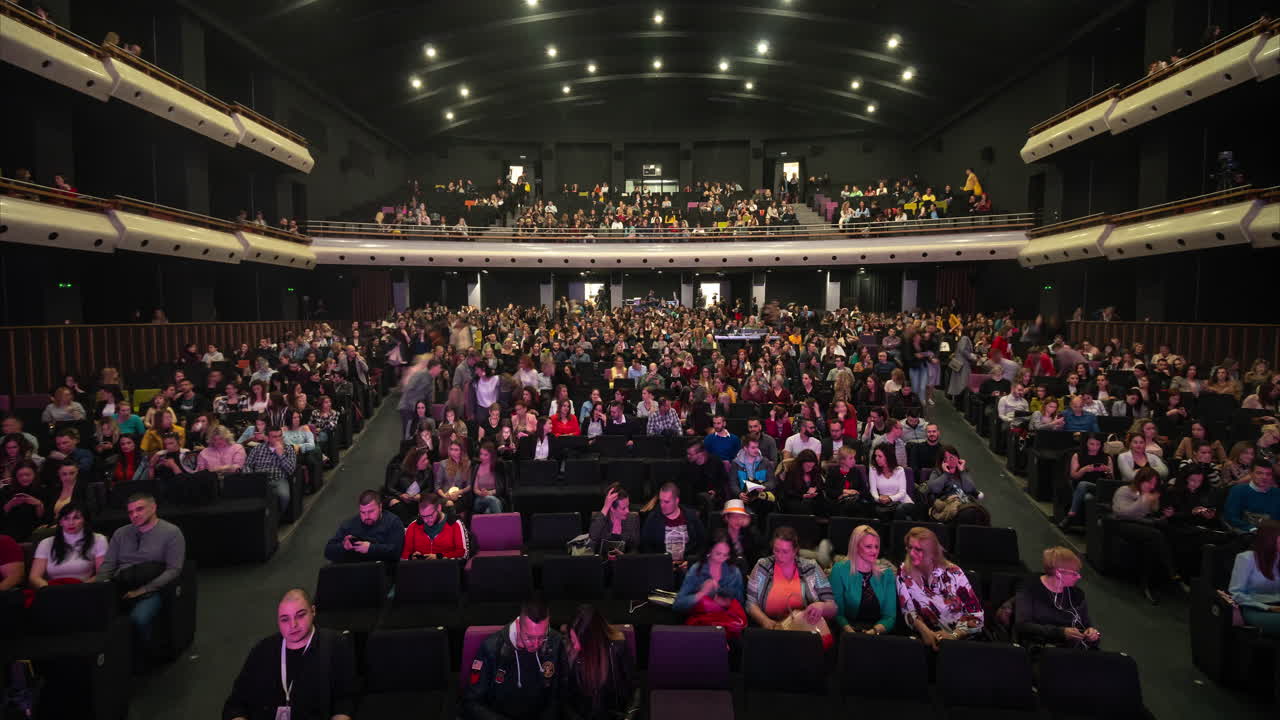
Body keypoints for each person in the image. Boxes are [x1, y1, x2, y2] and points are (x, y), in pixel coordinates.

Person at [222, 588, 358, 720]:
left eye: (300, 615)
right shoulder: (263, 650)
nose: (293, 625)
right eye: (285, 619)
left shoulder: (335, 645)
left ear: (313, 611)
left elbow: (346, 702)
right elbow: (236, 703)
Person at [95, 492, 186, 651]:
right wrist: (98, 590)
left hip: (152, 587)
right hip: (121, 583)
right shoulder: (121, 533)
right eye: (130, 512)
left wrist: (143, 590)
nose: (134, 515)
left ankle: (146, 655)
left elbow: (174, 570)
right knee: (97, 617)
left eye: (140, 509)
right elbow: (108, 566)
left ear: (153, 507)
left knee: (139, 619)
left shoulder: (172, 533)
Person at [462, 599, 569, 720]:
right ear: (518, 624)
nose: (535, 644)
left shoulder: (556, 643)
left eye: (542, 637)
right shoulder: (491, 648)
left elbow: (558, 696)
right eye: (529, 637)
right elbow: (471, 703)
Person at [897, 526, 984, 649]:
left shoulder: (954, 572)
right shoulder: (904, 572)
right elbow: (908, 610)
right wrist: (925, 632)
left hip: (962, 639)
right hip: (926, 638)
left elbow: (976, 616)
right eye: (910, 548)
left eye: (918, 549)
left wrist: (953, 636)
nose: (911, 553)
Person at [744, 526, 836, 633]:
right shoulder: (762, 566)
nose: (780, 556)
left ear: (795, 550)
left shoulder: (811, 568)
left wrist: (822, 607)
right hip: (770, 629)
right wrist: (764, 621)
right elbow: (750, 603)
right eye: (776, 550)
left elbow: (832, 608)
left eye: (785, 552)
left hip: (804, 631)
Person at [1111, 467, 1179, 604]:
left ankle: (1148, 583)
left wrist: (1165, 516)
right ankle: (1172, 572)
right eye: (1149, 483)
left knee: (1158, 538)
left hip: (1144, 525)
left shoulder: (1151, 495)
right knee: (1155, 535)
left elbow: (1151, 516)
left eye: (1154, 484)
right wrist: (1143, 499)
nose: (1152, 486)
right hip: (1123, 524)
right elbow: (1124, 513)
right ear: (1140, 480)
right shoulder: (1125, 491)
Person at [562, 604, 640, 720]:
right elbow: (564, 697)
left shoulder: (617, 648)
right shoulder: (569, 651)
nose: (576, 646)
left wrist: (628, 718)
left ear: (594, 640)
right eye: (573, 640)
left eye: (580, 641)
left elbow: (635, 689)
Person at [1014, 547, 1101, 649]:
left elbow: (1086, 625)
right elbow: (1023, 625)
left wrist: (1092, 633)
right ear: (1059, 573)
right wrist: (1061, 632)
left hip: (1071, 647)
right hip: (1040, 646)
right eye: (1074, 573)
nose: (1078, 577)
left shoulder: (1077, 594)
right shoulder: (1029, 588)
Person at [830, 524, 897, 635]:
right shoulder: (839, 570)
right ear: (856, 546)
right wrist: (851, 634)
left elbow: (890, 616)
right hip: (847, 631)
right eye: (868, 546)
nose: (874, 551)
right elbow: (837, 613)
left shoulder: (887, 574)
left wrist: (873, 632)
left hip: (878, 632)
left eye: (876, 546)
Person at [674, 530, 747, 630]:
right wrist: (702, 593)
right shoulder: (697, 570)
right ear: (709, 551)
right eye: (718, 554)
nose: (721, 558)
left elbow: (740, 605)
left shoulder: (734, 572)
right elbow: (678, 605)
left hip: (727, 625)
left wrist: (726, 602)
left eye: (726, 555)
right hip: (702, 624)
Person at [28, 501, 108, 587]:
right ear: (60, 522)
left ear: (84, 520)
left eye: (76, 518)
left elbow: (102, 574)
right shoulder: (46, 543)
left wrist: (80, 589)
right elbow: (34, 577)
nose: (71, 522)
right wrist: (47, 589)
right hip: (52, 589)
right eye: (66, 518)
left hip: (84, 589)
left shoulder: (99, 539)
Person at [639, 482, 707, 574]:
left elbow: (702, 543)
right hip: (661, 570)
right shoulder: (653, 519)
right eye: (661, 501)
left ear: (676, 501)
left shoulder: (691, 516)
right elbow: (645, 547)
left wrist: (691, 562)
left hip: (688, 570)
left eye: (666, 502)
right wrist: (662, 563)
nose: (662, 505)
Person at [323, 489, 405, 564]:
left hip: (381, 570)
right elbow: (328, 551)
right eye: (362, 512)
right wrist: (344, 547)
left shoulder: (393, 523)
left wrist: (370, 548)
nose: (367, 516)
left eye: (371, 511)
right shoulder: (350, 524)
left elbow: (396, 552)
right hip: (354, 568)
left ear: (380, 507)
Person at [1228, 520, 1280, 637]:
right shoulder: (1246, 558)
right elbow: (1236, 594)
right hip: (1255, 608)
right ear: (1269, 540)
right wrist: (1268, 608)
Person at [1060, 434, 1114, 529]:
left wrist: (1107, 470)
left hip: (1099, 486)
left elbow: (1112, 480)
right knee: (1087, 495)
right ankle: (1090, 527)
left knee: (1084, 485)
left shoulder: (1107, 457)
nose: (1095, 447)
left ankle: (1070, 515)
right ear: (1086, 444)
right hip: (1081, 486)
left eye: (1098, 444)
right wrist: (1084, 470)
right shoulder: (1078, 455)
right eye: (1092, 444)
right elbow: (1073, 475)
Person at [400, 492, 470, 560]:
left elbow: (463, 553)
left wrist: (440, 556)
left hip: (445, 568)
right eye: (423, 516)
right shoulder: (413, 526)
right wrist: (411, 557)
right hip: (419, 568)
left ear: (439, 508)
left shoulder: (455, 523)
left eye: (430, 515)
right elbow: (405, 554)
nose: (426, 520)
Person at [243, 426, 296, 515]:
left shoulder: (288, 449)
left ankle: (276, 517)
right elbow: (248, 465)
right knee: (250, 496)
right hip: (259, 479)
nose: (278, 439)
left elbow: (291, 470)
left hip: (278, 479)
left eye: (280, 436)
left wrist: (281, 455)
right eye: (274, 437)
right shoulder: (258, 448)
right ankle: (263, 517)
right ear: (267, 438)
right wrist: (251, 476)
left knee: (284, 496)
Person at [1224, 460, 1280, 533]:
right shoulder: (1238, 490)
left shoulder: (1277, 492)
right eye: (1259, 473)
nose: (1264, 477)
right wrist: (1252, 529)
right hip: (1247, 533)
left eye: (1268, 474)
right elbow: (1231, 517)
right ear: (1251, 473)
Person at [869, 442, 917, 521]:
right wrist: (878, 499)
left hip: (903, 502)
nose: (876, 458)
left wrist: (890, 498)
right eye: (875, 456)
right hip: (884, 503)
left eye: (880, 456)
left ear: (888, 457)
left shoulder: (899, 470)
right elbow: (873, 491)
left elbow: (903, 492)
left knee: (899, 509)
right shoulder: (873, 469)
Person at [589, 484, 640, 557]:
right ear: (612, 508)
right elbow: (593, 537)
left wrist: (624, 557)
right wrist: (606, 507)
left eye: (628, 506)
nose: (627, 511)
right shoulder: (600, 519)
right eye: (623, 508)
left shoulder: (632, 519)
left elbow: (635, 548)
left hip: (625, 562)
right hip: (602, 561)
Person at [781, 449, 827, 516]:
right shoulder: (792, 472)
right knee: (803, 505)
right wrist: (802, 496)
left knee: (823, 504)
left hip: (812, 499)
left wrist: (815, 488)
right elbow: (788, 491)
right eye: (807, 466)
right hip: (796, 498)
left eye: (812, 466)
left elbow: (822, 485)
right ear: (801, 464)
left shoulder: (814, 470)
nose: (810, 469)